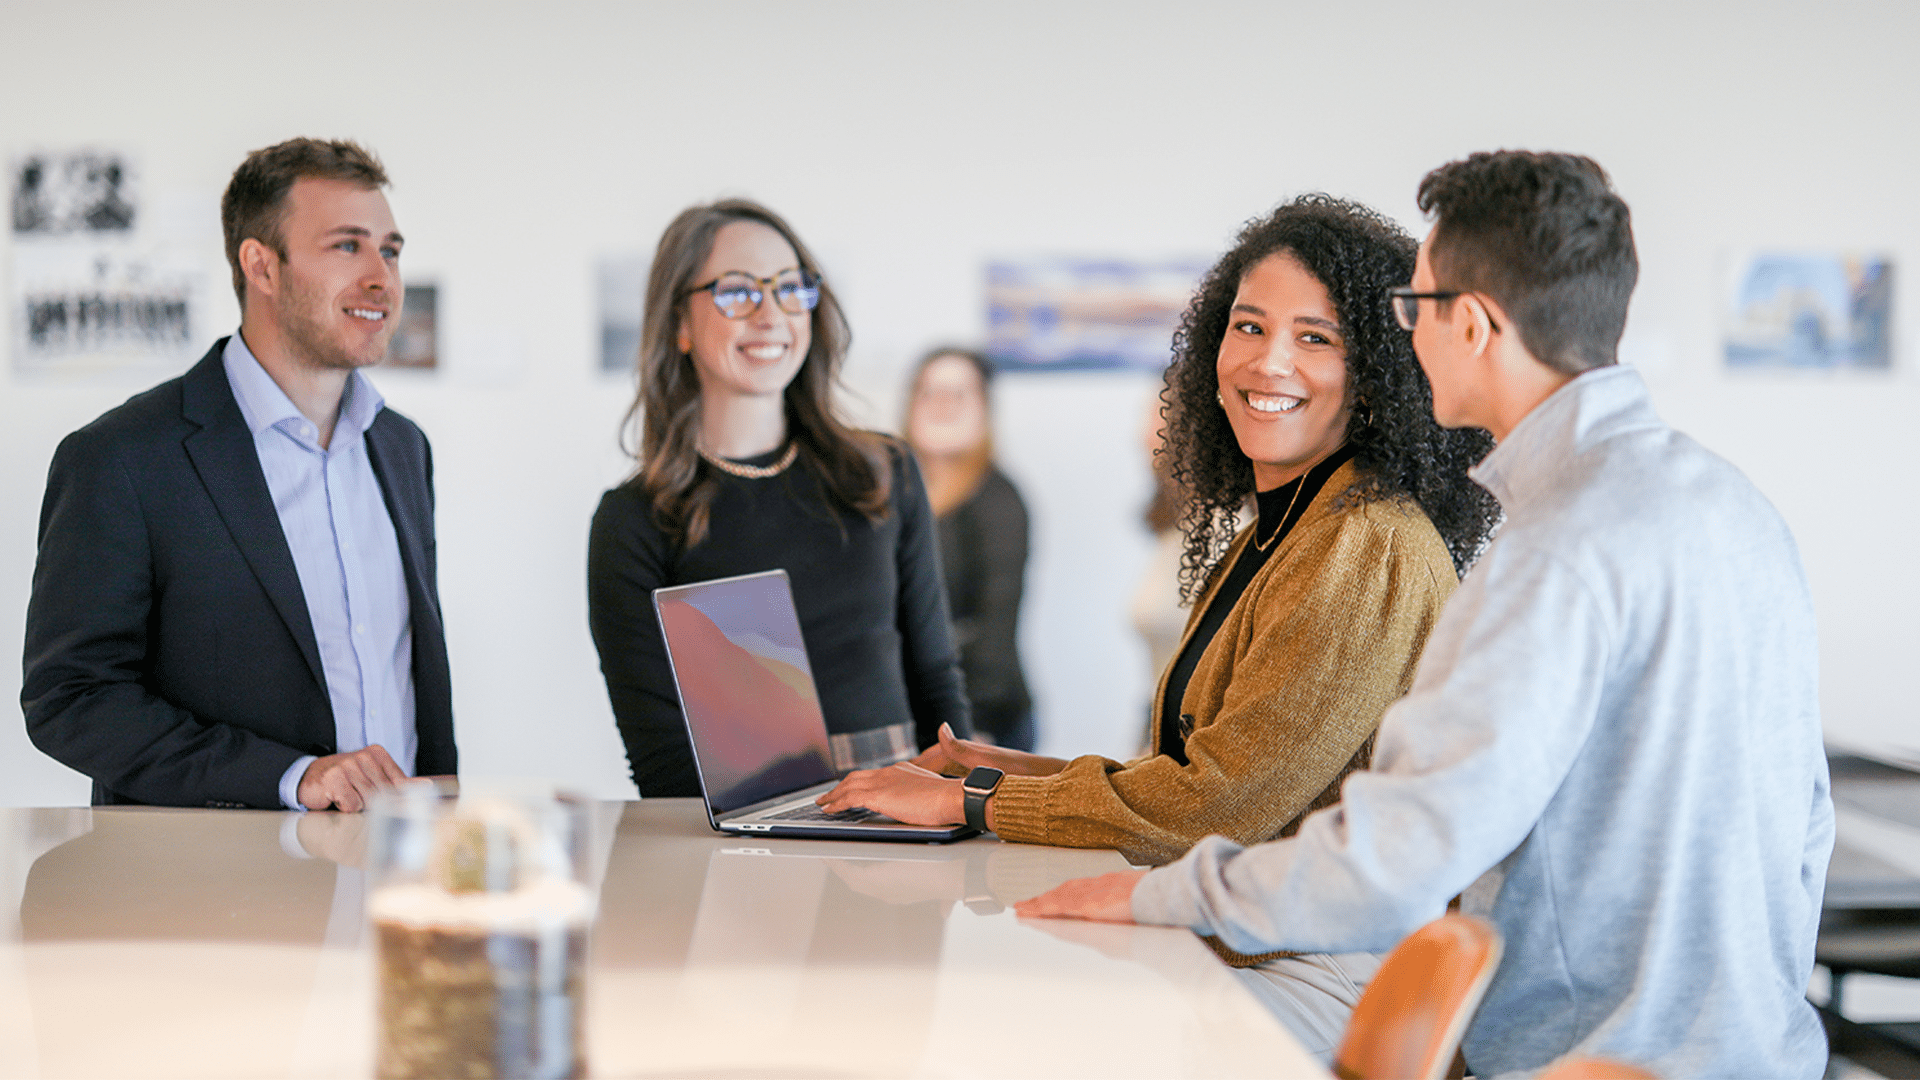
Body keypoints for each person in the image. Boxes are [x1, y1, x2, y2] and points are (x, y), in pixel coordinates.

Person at [1018, 152, 1833, 1079]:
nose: (1403, 336)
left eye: (1416, 308)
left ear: (1475, 326)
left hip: (1590, 1062)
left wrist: (1156, 900)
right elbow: (1808, 823)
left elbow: (1397, 853)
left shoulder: (1558, 547)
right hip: (1760, 1053)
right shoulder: (1736, 509)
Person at [819, 194, 1497, 867]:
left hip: (1307, 960)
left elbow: (1217, 809)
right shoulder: (1288, 526)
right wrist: (1010, 773)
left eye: (1316, 337)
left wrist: (973, 802)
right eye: (1250, 327)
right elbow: (1197, 773)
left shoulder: (1367, 544)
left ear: (1376, 374)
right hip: (1238, 930)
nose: (1268, 362)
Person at [22, 138, 455, 812]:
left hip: (396, 870)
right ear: (262, 266)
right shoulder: (123, 457)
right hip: (209, 888)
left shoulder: (402, 448)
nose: (381, 277)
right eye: (347, 246)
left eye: (390, 250)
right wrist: (295, 778)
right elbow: (71, 700)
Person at [588, 199, 970, 797]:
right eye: (737, 292)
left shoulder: (883, 472)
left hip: (905, 832)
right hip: (751, 849)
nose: (770, 314)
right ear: (679, 324)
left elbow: (937, 681)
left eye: (790, 288)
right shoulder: (637, 520)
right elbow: (662, 761)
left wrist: (961, 805)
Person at [903, 347, 1034, 751]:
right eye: (929, 392)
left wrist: (973, 729)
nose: (942, 404)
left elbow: (995, 629)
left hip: (984, 723)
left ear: (984, 408)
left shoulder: (998, 500)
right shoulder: (891, 494)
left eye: (958, 393)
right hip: (912, 721)